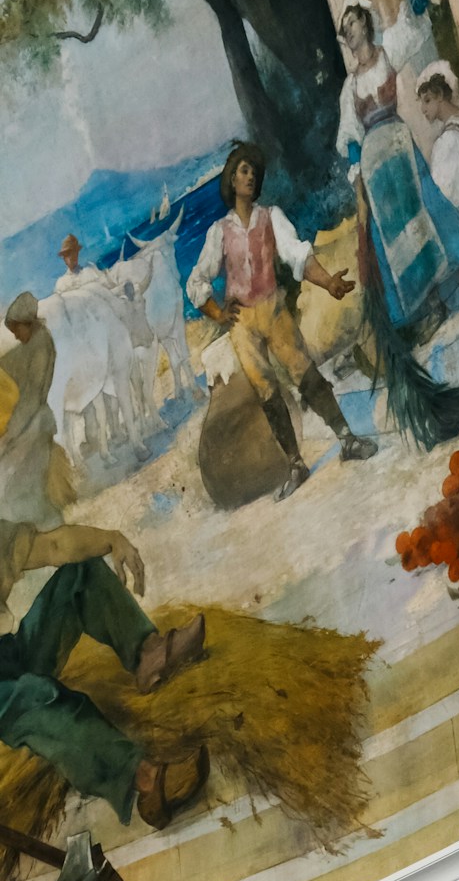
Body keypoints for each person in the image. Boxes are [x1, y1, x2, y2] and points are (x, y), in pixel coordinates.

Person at [185, 143, 377, 499]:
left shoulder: (271, 217)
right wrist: (217, 313)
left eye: (253, 171)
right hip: (242, 323)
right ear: (230, 178)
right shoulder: (219, 232)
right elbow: (196, 282)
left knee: (306, 374)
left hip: (273, 310)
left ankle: (347, 438)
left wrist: (329, 281)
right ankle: (295, 464)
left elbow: (297, 256)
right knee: (268, 393)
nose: (250, 175)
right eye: (243, 170)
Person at [0, 515, 208, 833]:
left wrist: (112, 539)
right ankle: (144, 778)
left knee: (80, 574)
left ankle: (148, 655)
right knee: (37, 695)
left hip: (8, 654)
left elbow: (53, 546)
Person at [336, 0, 459, 333]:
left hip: (402, 150)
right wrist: (361, 189)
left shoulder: (388, 54)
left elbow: (414, 12)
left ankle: (453, 286)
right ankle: (427, 309)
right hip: (377, 169)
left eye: (354, 23)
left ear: (366, 22)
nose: (351, 32)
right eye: (346, 30)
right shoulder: (350, 89)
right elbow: (353, 142)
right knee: (396, 236)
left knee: (425, 210)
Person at [0, 296, 78, 530]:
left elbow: (31, 398)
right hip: (28, 426)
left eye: (16, 329)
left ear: (28, 323)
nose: (15, 335)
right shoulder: (31, 345)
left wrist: (8, 436)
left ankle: (52, 536)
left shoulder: (41, 347)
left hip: (34, 427)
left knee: (24, 490)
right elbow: (11, 362)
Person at [416, 67, 459, 234]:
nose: (423, 109)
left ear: (439, 96)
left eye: (427, 100)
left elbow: (445, 194)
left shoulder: (448, 140)